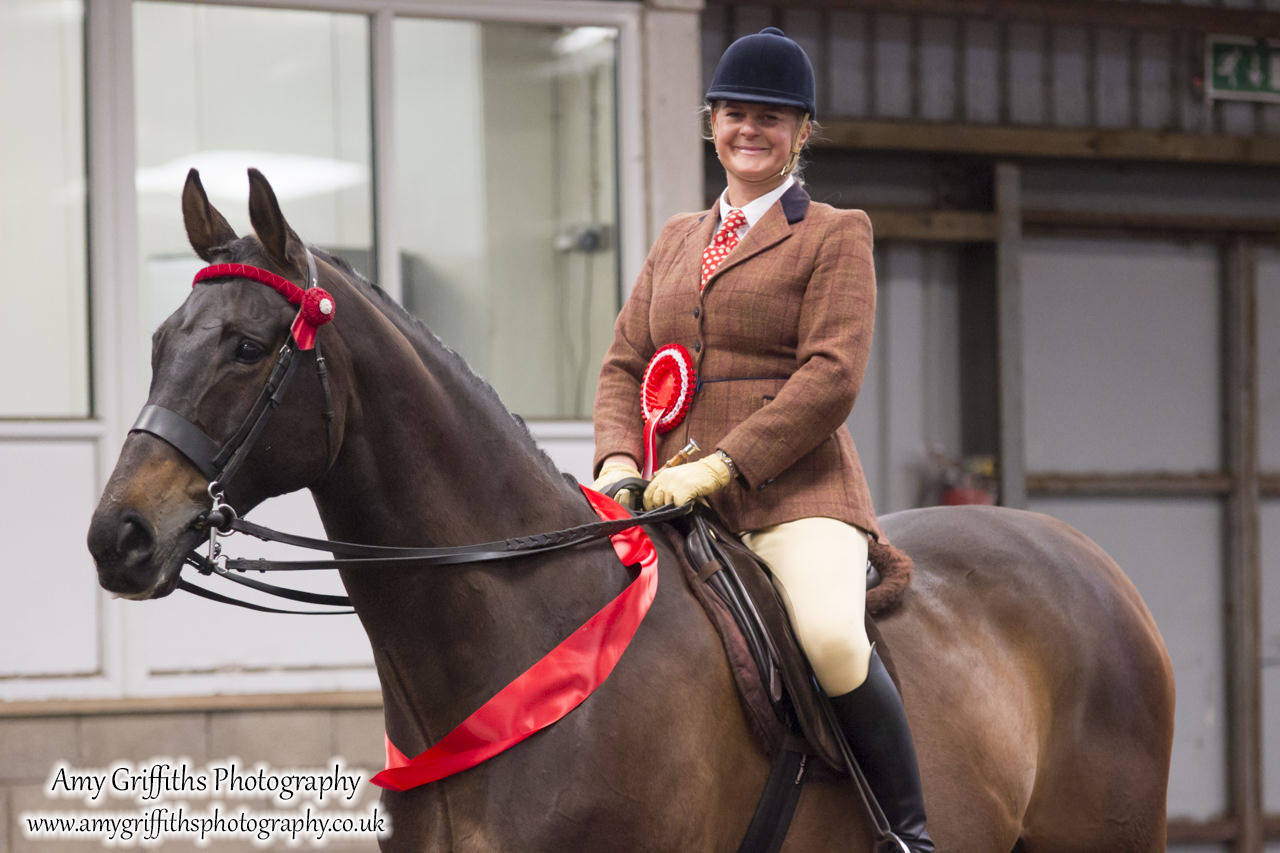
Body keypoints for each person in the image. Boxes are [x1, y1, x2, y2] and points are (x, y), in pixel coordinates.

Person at [591, 27, 934, 853]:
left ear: (802, 133)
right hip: (661, 490)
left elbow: (831, 375)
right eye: (735, 113)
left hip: (791, 493)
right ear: (711, 121)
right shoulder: (676, 237)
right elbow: (623, 362)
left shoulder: (836, 232)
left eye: (772, 119)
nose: (751, 130)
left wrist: (723, 464)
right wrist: (614, 460)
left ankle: (907, 830)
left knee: (829, 635)